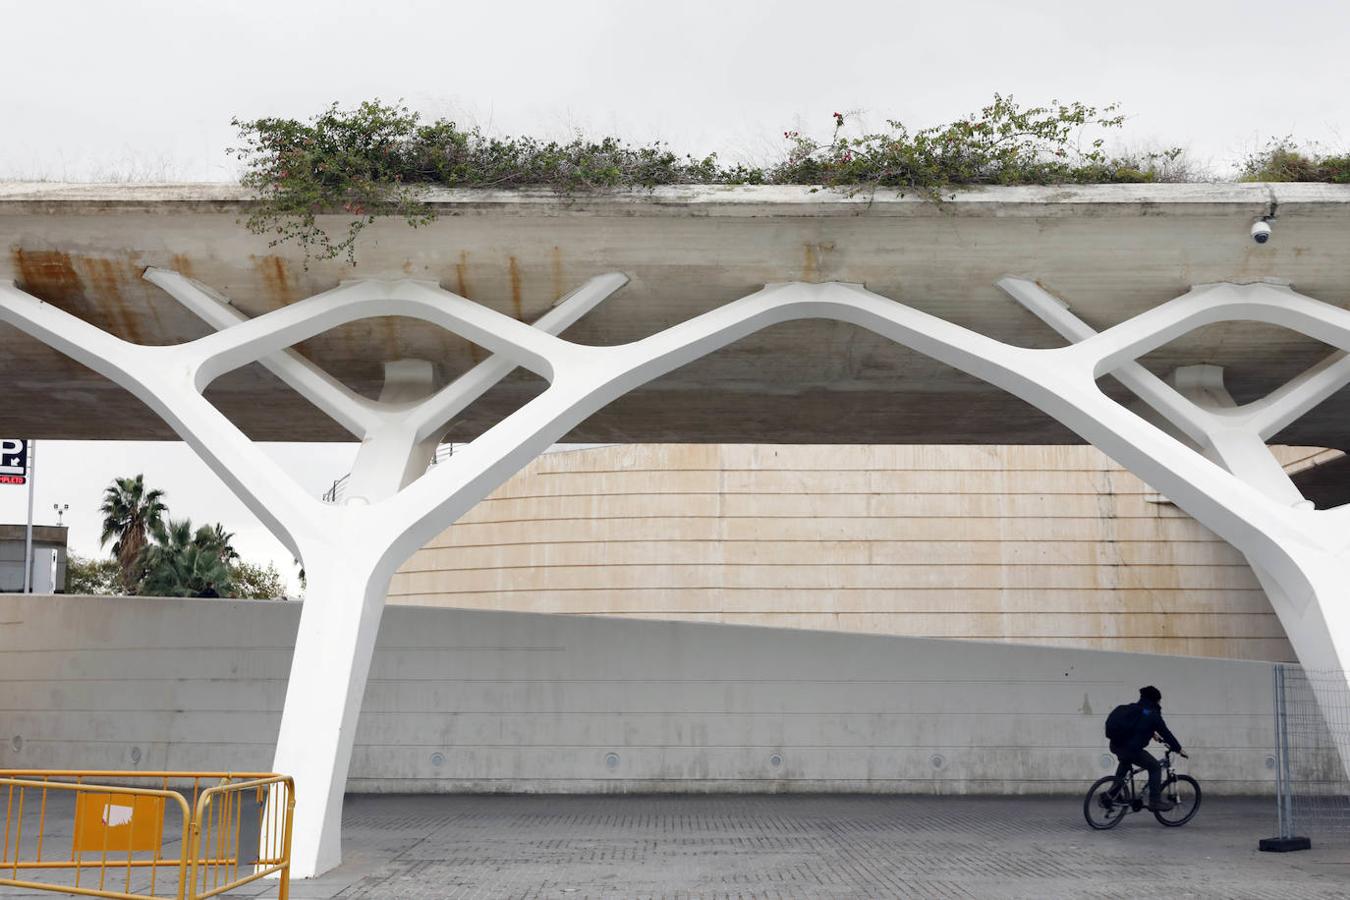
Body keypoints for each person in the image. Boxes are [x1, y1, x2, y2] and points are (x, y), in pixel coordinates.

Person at [1109, 685, 1186, 811]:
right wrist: (1178, 748)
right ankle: (1155, 801)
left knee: (1125, 762)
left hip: (1115, 745)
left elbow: (1135, 727)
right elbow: (1166, 733)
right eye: (1159, 700)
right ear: (1155, 700)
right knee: (1155, 767)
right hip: (1131, 749)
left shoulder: (1134, 708)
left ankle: (1112, 794)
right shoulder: (1153, 714)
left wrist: (1151, 733)